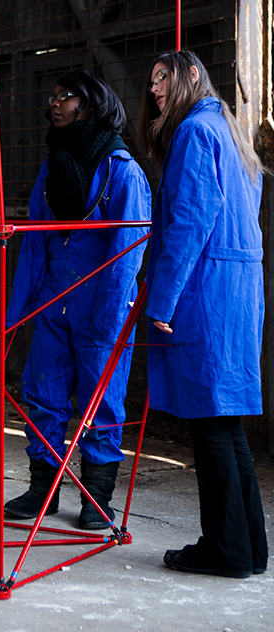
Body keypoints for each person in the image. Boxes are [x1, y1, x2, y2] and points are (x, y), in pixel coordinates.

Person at [140, 49, 268, 578]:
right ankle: (248, 548)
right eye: (150, 82)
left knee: (210, 426)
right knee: (226, 424)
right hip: (239, 289)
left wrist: (161, 298)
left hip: (206, 290)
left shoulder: (195, 132)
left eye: (162, 78)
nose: (154, 90)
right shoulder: (230, 133)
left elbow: (190, 222)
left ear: (193, 75)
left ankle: (224, 550)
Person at [4, 70, 151, 528]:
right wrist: (18, 310)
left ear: (89, 106)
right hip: (53, 303)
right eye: (53, 96)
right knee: (43, 394)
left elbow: (128, 250)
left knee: (101, 402)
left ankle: (96, 498)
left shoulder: (122, 170)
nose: (55, 103)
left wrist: (109, 316)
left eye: (64, 97)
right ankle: (41, 491)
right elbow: (34, 240)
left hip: (99, 308)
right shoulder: (52, 166)